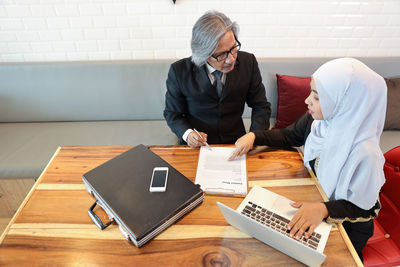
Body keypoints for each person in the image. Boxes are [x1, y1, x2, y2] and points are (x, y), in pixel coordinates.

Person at [229, 58, 387, 262]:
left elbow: (367, 208)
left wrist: (324, 209)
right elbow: (289, 136)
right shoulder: (320, 122)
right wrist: (255, 136)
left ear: (344, 102)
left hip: (346, 230)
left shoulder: (366, 153)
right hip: (314, 204)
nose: (307, 101)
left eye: (317, 97)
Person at [164, 10, 271, 147]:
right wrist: (188, 134)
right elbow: (172, 113)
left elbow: (261, 105)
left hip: (236, 143)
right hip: (197, 147)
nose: (231, 59)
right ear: (203, 54)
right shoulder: (179, 71)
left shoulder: (248, 62)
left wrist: (254, 135)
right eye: (221, 55)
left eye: (233, 48)